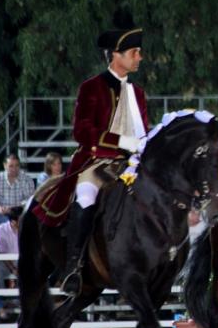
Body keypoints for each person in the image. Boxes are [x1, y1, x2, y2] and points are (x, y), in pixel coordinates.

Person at [32, 27, 149, 295]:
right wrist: (120, 142)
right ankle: (73, 266)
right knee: (86, 195)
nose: (140, 58)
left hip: (133, 163)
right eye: (135, 52)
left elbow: (144, 131)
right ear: (116, 56)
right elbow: (81, 131)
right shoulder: (91, 87)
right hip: (97, 161)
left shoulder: (137, 92)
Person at [0, 153, 35, 235]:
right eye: (11, 166)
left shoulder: (27, 180)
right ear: (5, 166)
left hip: (19, 214)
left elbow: (30, 200)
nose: (14, 169)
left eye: (17, 166)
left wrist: (14, 208)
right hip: (2, 213)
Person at [0, 206, 22, 278]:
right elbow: (2, 253)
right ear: (13, 221)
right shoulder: (1, 230)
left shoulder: (29, 229)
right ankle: (0, 289)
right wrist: (13, 268)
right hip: (8, 262)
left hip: (25, 261)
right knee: (0, 270)